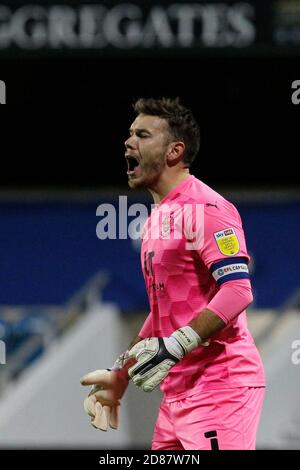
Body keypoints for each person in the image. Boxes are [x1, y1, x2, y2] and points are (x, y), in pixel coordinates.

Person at [81, 97, 265, 450]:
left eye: (143, 134)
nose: (128, 141)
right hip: (176, 395)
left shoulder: (207, 207)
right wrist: (121, 371)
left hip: (219, 390)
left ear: (173, 151)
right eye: (130, 133)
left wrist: (177, 345)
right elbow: (165, 310)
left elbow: (239, 291)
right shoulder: (156, 219)